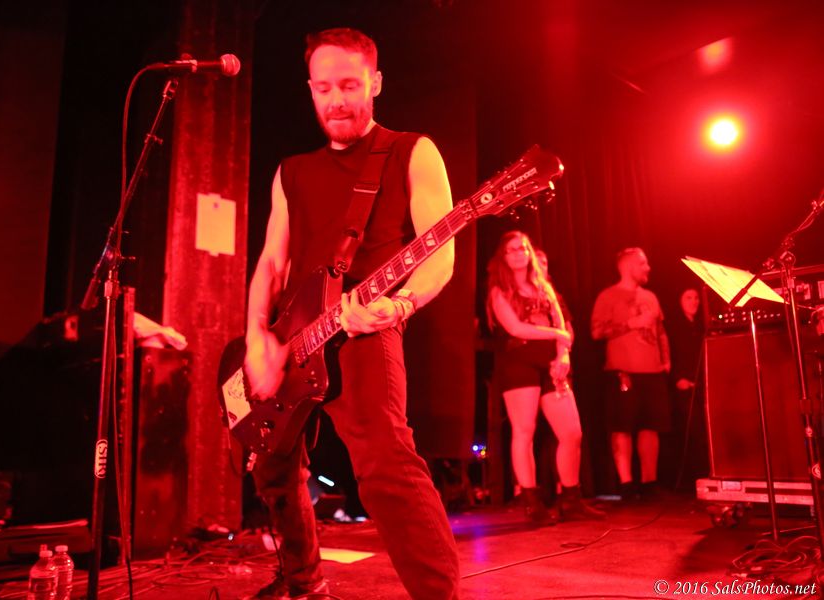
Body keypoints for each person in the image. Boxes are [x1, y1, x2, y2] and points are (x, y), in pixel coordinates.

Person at [242, 28, 459, 600]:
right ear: (309, 89)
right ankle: (303, 582)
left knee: (386, 465)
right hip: (292, 338)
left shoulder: (412, 150)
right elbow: (271, 262)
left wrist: (401, 303)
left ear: (375, 83)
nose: (335, 100)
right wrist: (256, 338)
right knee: (273, 467)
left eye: (349, 85)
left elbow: (441, 252)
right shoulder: (291, 171)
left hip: (364, 326)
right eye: (323, 89)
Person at [487, 231, 604, 524]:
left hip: (551, 362)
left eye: (522, 248)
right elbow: (516, 328)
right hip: (518, 362)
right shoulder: (499, 291)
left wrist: (563, 357)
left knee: (572, 433)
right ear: (503, 257)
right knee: (524, 430)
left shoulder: (544, 287)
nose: (518, 253)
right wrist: (557, 335)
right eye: (512, 249)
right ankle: (531, 502)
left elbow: (562, 325)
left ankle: (571, 499)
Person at [590, 247, 671, 500]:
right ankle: (626, 485)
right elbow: (596, 332)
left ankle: (649, 483)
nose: (648, 268)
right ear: (627, 266)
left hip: (652, 372)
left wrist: (666, 360)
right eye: (643, 263)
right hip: (622, 371)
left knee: (651, 427)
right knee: (622, 427)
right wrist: (631, 324)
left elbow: (660, 331)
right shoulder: (608, 296)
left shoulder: (651, 297)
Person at [664, 288, 707, 488]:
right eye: (688, 297)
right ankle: (689, 480)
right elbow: (668, 353)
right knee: (690, 431)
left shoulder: (702, 326)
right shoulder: (672, 326)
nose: (694, 301)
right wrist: (677, 378)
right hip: (682, 386)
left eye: (696, 297)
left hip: (701, 385)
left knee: (703, 432)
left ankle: (704, 474)